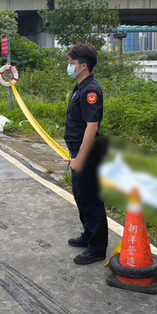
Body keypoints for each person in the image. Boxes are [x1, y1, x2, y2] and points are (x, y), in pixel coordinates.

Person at [64, 43, 108, 265]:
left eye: (72, 63)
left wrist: (80, 157)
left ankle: (97, 248)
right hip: (80, 150)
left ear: (83, 66)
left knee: (90, 198)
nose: (69, 66)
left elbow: (92, 127)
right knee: (80, 196)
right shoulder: (81, 87)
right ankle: (88, 234)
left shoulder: (91, 90)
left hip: (88, 153)